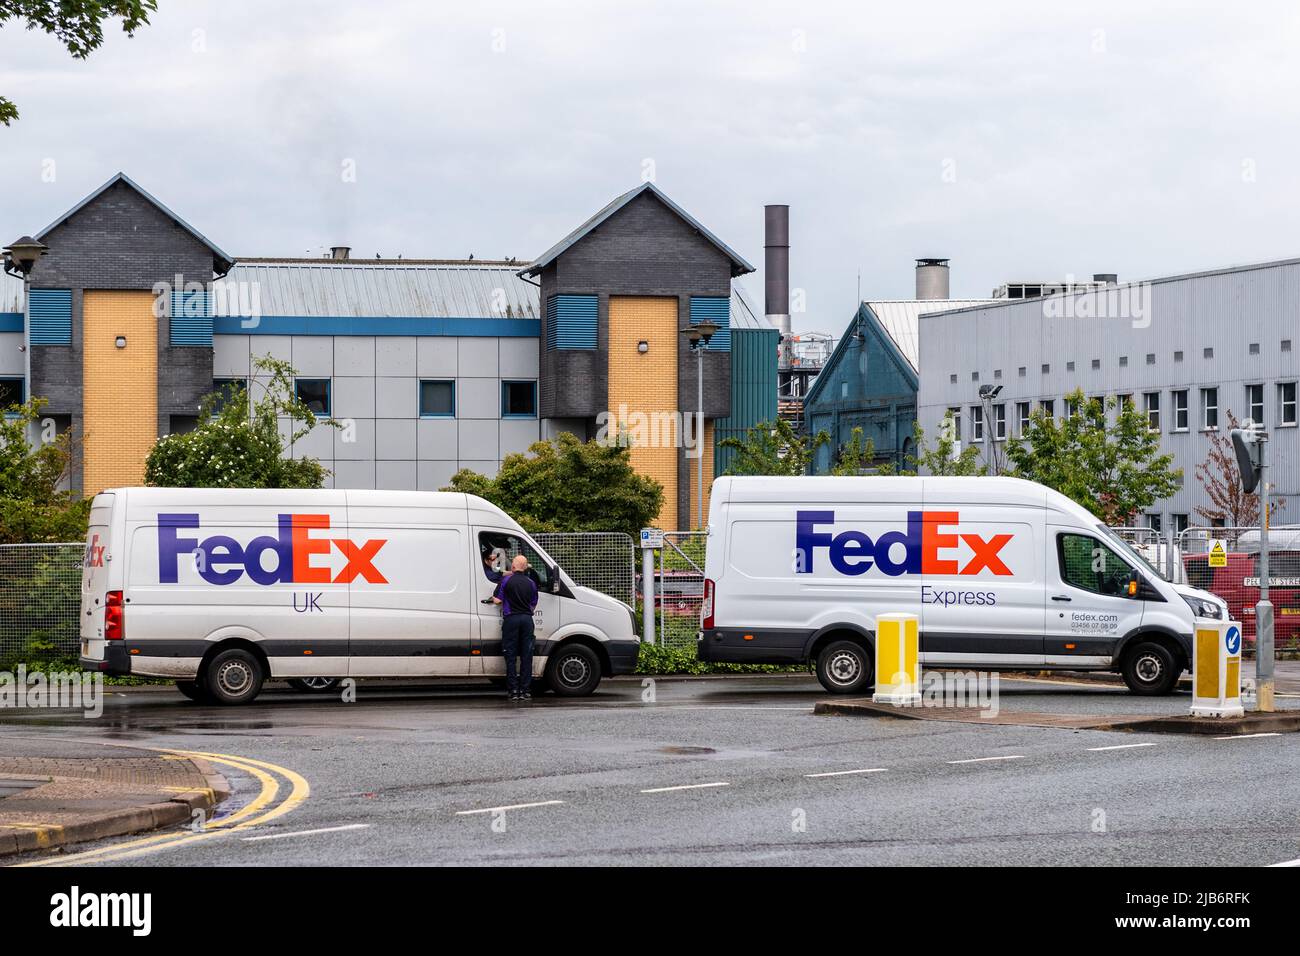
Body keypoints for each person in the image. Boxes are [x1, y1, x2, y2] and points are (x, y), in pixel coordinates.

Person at [492, 554, 539, 700]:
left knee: (510, 655)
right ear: (525, 568)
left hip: (511, 619)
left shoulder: (506, 581)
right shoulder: (531, 583)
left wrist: (492, 598)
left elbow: (498, 600)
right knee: (527, 655)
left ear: (513, 567)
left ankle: (513, 691)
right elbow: (533, 603)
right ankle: (525, 691)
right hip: (526, 620)